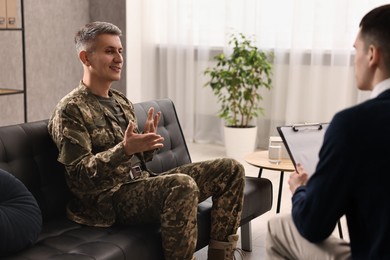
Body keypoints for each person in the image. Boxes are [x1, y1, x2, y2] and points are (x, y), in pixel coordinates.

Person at [48, 21, 245, 260]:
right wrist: (125, 149)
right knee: (181, 185)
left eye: (120, 51)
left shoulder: (121, 101)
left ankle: (221, 255)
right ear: (86, 57)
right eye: (109, 51)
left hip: (138, 184)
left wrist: (146, 145)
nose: (119, 58)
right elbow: (79, 175)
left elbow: (137, 160)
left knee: (231, 169)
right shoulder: (71, 109)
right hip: (105, 202)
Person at [265, 4, 390, 260]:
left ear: (372, 55)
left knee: (278, 228)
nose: (353, 58)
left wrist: (301, 189)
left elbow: (314, 225)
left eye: (356, 49)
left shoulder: (353, 125)